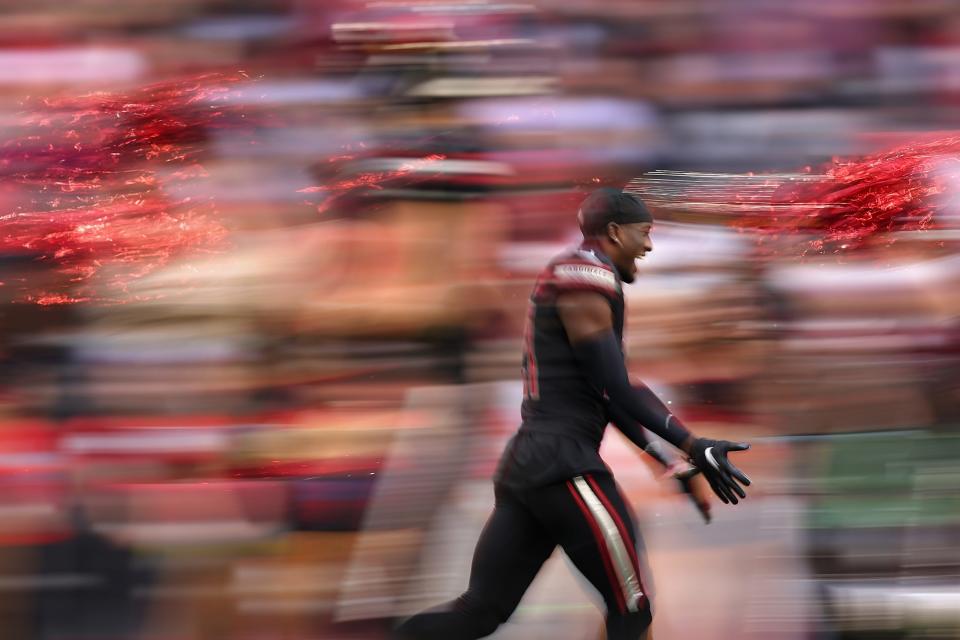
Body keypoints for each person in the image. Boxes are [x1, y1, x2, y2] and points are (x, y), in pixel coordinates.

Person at [393, 188, 752, 640]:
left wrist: (674, 462)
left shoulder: (582, 274)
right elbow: (616, 386)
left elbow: (605, 394)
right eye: (644, 233)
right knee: (632, 608)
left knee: (480, 612)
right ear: (616, 232)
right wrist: (692, 442)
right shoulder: (585, 273)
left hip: (536, 461)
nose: (649, 246)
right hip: (564, 463)